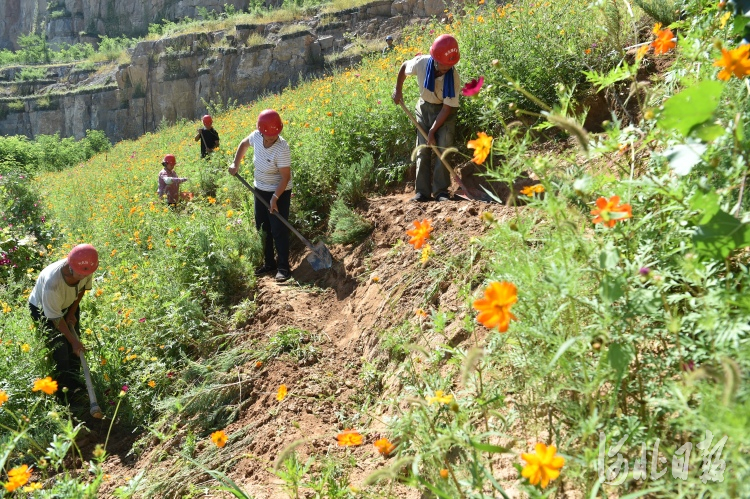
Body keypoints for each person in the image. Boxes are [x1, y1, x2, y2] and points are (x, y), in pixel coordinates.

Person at [392, 34, 461, 203]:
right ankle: (422, 192)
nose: (446, 70)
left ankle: (441, 192)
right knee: (422, 149)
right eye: (443, 66)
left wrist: (432, 131)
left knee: (443, 147)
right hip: (424, 108)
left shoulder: (453, 78)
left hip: (445, 112)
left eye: (449, 67)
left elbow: (446, 108)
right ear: (435, 59)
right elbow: (403, 67)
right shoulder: (421, 63)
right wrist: (398, 90)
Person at [228, 109, 293, 282]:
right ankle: (269, 263)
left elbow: (286, 177)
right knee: (263, 228)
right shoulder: (256, 136)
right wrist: (236, 164)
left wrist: (275, 198)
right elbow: (243, 144)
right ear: (261, 131)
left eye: (275, 135)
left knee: (278, 229)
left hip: (280, 191)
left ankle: (283, 267)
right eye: (268, 136)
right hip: (260, 189)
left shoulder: (282, 147)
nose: (272, 138)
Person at [28, 244, 98, 396]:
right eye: (79, 274)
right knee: (60, 349)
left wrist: (71, 313)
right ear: (70, 266)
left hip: (68, 304)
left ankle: (76, 381)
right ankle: (64, 393)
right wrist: (72, 341)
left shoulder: (86, 269)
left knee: (75, 344)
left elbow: (81, 290)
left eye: (85, 274)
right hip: (44, 311)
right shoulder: (52, 284)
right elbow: (55, 318)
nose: (83, 277)